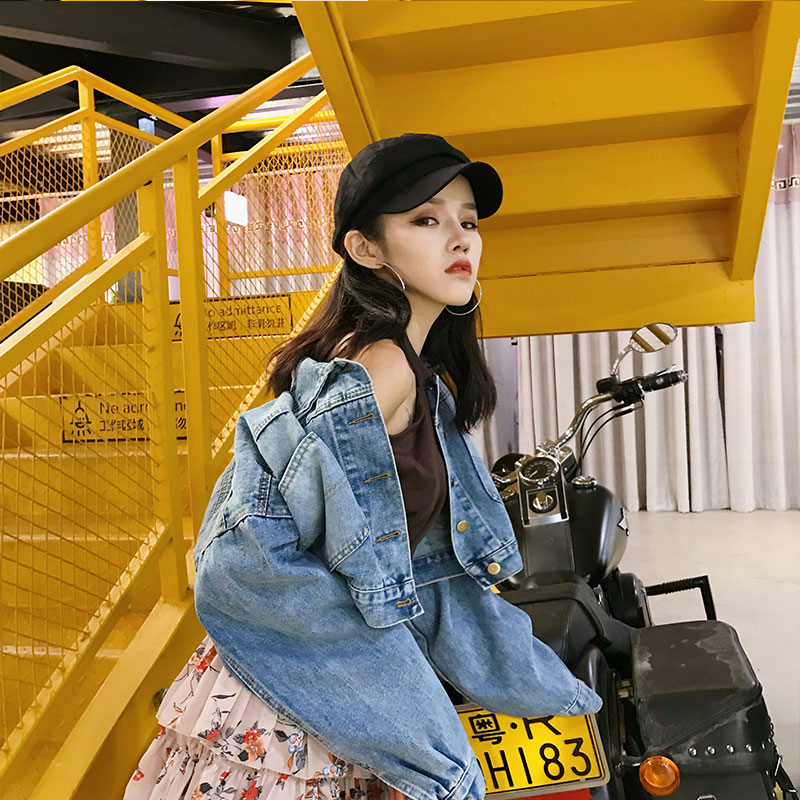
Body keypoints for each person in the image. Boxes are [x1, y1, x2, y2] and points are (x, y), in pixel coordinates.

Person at [124, 133, 601, 800]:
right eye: (426, 220)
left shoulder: (408, 368)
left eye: (468, 221)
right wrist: (405, 706)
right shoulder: (381, 369)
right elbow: (247, 557)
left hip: (322, 695)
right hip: (297, 706)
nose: (460, 239)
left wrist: (532, 681)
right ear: (366, 248)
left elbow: (418, 569)